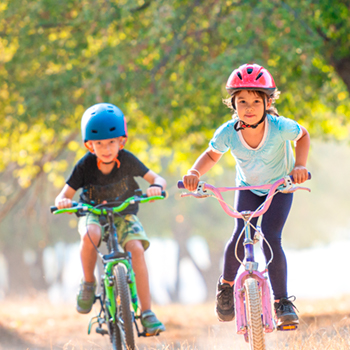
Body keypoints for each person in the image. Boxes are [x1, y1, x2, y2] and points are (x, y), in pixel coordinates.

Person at [182, 63, 310, 327]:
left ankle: (282, 302)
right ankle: (226, 287)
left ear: (267, 102)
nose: (249, 107)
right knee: (241, 235)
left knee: (272, 238)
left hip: (280, 188)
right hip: (248, 188)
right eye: (242, 101)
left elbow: (303, 135)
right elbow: (211, 155)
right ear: (233, 104)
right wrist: (194, 172)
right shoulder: (228, 132)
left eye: (255, 100)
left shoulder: (279, 127)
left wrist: (300, 166)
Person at [55, 103, 166, 335]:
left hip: (124, 213)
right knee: (90, 234)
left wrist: (156, 187)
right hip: (92, 213)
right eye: (99, 144)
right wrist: (63, 202)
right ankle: (88, 283)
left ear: (122, 142)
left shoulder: (127, 160)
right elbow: (63, 195)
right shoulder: (84, 165)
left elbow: (158, 179)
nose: (106, 149)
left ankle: (147, 312)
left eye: (111, 142)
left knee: (136, 248)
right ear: (89, 145)